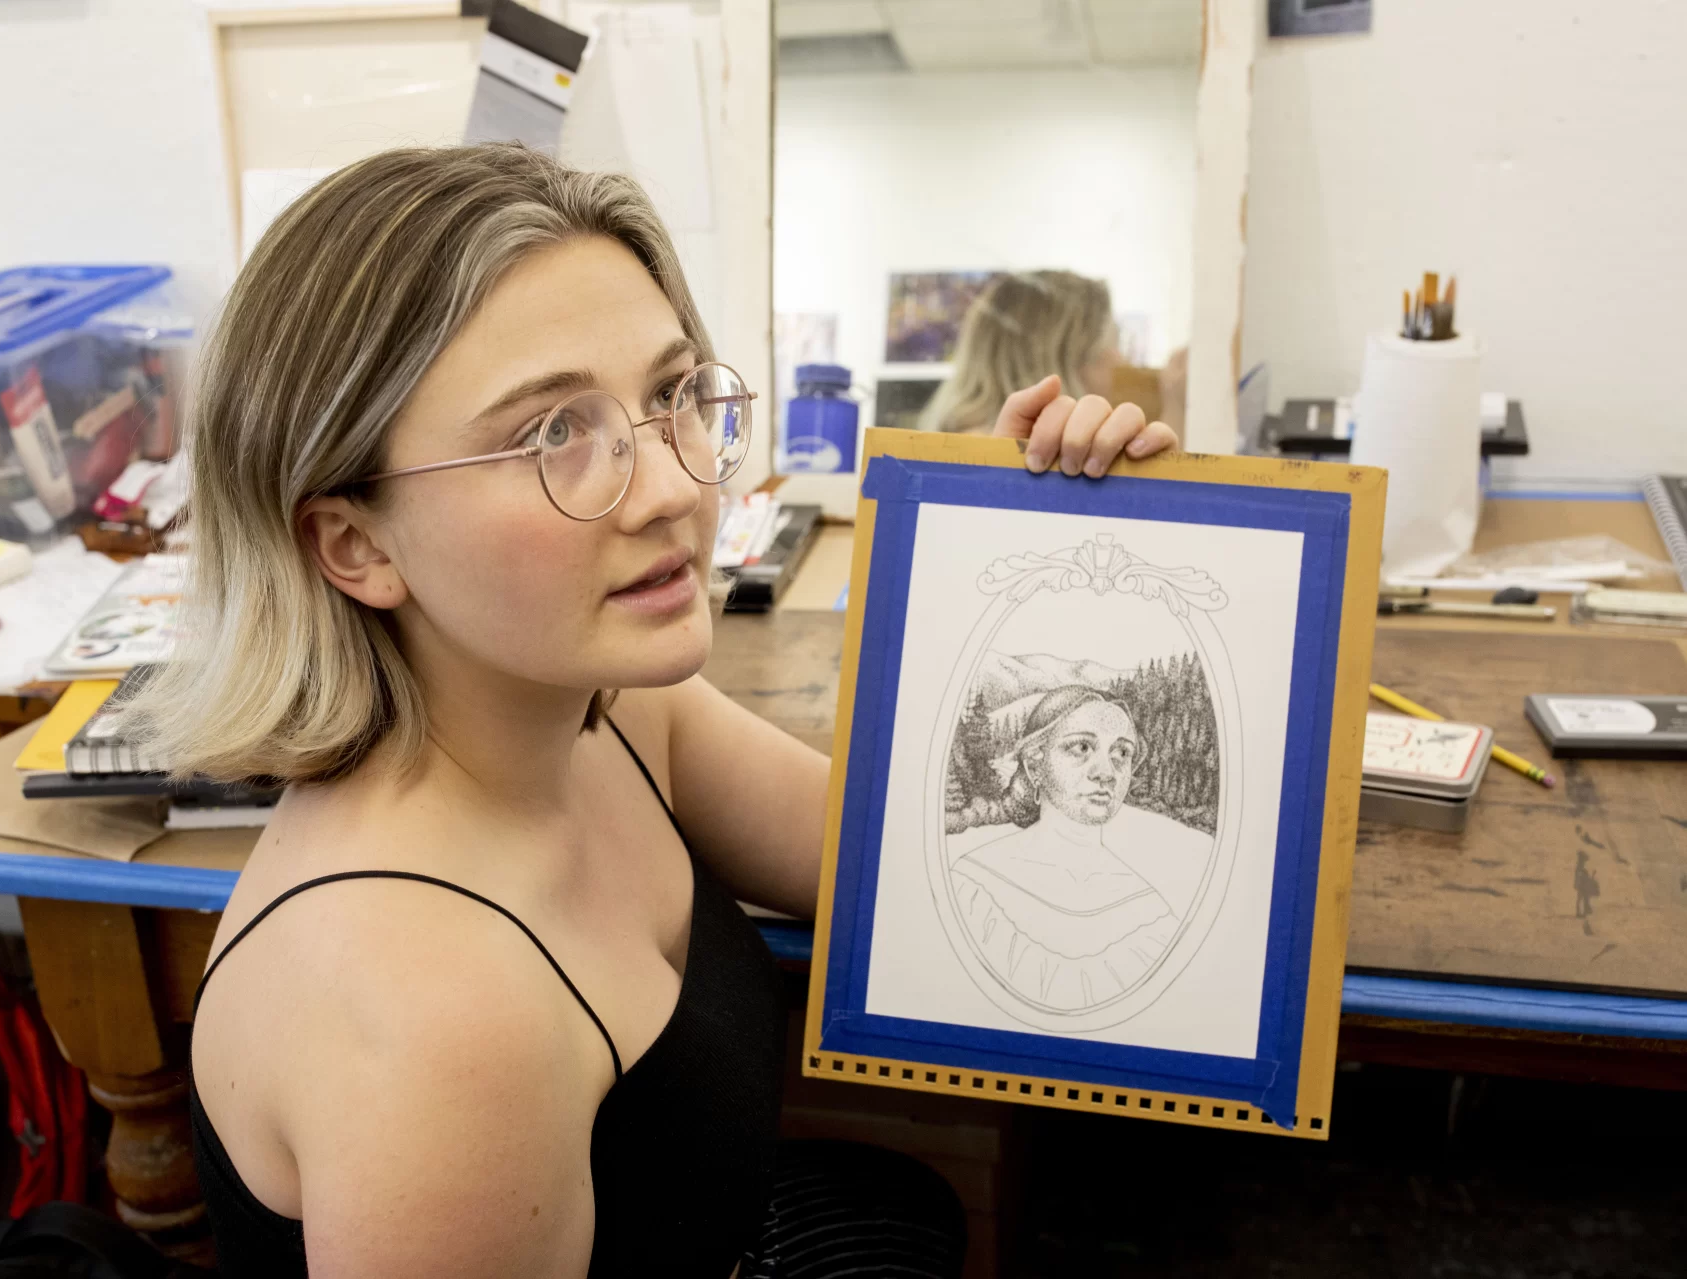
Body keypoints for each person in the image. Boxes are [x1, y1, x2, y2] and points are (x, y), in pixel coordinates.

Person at [130, 143, 1178, 1278]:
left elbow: (905, 858)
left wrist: (1035, 555)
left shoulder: (613, 713)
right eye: (552, 433)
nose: (680, 487)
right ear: (353, 541)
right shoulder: (439, 1026)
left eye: (672, 395)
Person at [951, 686, 1209, 1012]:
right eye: (1082, 747)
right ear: (1034, 766)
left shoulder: (1151, 912)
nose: (1106, 773)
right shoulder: (973, 883)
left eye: (1122, 754)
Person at [917, 270, 1189, 444]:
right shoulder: (988, 453)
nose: (1120, 361)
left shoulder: (955, 446)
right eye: (1111, 342)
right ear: (1067, 357)